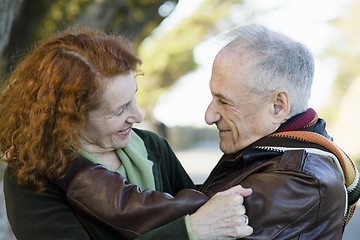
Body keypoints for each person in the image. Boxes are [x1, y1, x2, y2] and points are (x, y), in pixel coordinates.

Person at [49, 23, 360, 239]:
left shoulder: (301, 179)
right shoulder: (271, 153)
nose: (209, 115)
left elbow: (177, 215)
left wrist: (68, 167)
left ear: (278, 105)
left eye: (224, 101)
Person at [0, 29, 254, 240]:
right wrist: (190, 231)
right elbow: (196, 223)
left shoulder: (153, 146)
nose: (137, 116)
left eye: (133, 98)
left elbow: (199, 207)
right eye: (119, 110)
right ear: (71, 117)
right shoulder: (31, 176)